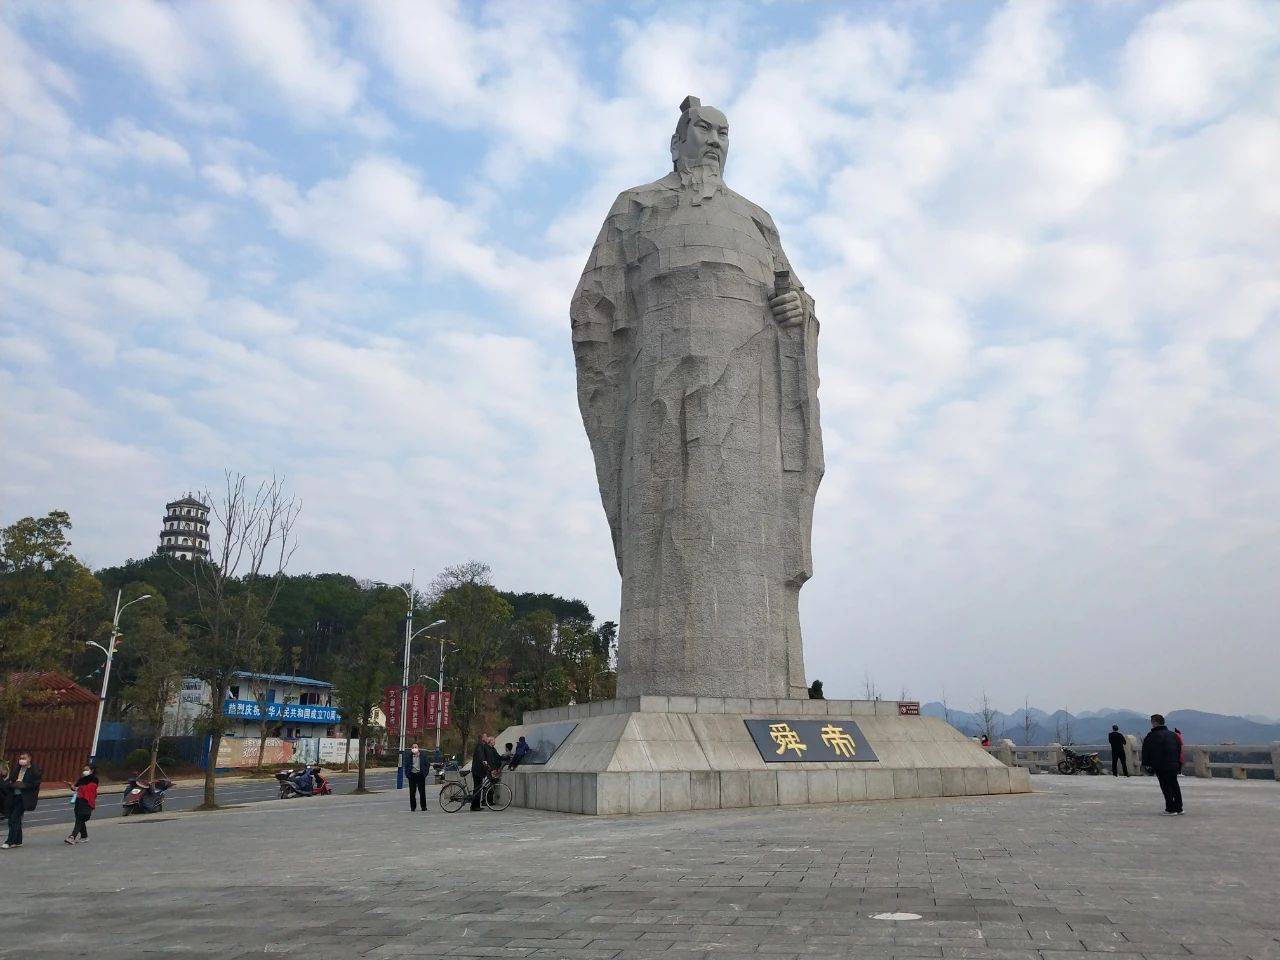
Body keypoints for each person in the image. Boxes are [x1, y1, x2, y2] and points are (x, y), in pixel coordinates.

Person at [1141, 714, 1184, 815]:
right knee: (1174, 785)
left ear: (1154, 722)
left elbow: (1146, 751)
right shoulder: (1173, 735)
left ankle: (1170, 809)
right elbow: (1179, 750)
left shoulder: (1152, 736)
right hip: (1173, 764)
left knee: (1165, 786)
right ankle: (1179, 808)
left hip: (1161, 765)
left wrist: (1146, 765)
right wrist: (1178, 763)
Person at [2, 751, 43, 848]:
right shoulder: (17, 768)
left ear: (29, 759)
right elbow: (11, 780)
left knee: (13, 819)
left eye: (24, 758)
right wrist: (12, 783)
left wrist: (23, 785)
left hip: (24, 798)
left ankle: (9, 841)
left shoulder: (35, 770)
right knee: (15, 819)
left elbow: (35, 784)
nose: (21, 760)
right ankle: (18, 840)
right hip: (14, 796)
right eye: (21, 758)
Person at [65, 765, 99, 844]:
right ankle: (84, 836)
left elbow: (90, 789)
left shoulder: (94, 779)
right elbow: (75, 788)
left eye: (87, 769)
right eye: (84, 769)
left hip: (87, 801)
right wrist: (71, 786)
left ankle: (72, 836)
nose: (84, 771)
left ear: (91, 770)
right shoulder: (81, 779)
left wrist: (78, 788)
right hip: (79, 801)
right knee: (79, 819)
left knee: (80, 818)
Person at [469, 734, 502, 812]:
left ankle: (475, 805)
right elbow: (481, 755)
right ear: (482, 738)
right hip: (477, 770)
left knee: (478, 788)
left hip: (480, 770)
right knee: (477, 788)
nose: (487, 738)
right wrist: (484, 761)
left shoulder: (483, 746)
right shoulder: (480, 745)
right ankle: (474, 806)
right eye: (486, 736)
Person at [402, 743, 429, 811]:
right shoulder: (409, 756)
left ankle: (423, 807)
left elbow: (427, 765)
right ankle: (413, 807)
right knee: (412, 792)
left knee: (422, 792)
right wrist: (408, 775)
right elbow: (407, 765)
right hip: (412, 775)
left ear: (418, 748)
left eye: (415, 747)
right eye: (413, 747)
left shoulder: (423, 755)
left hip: (420, 775)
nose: (414, 748)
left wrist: (424, 774)